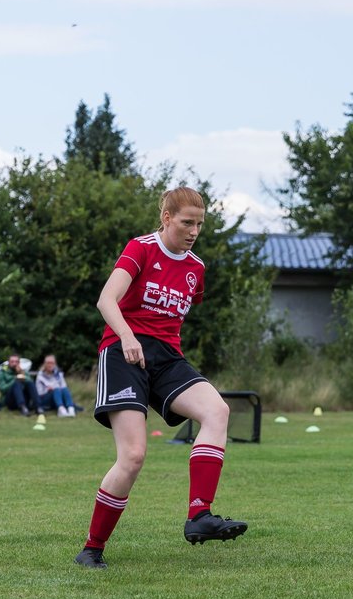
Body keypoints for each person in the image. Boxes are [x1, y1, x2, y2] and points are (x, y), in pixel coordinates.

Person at [74, 187, 248, 569]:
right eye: (187, 222)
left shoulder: (196, 268)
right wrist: (127, 335)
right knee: (133, 456)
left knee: (217, 411)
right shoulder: (141, 248)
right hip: (123, 352)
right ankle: (92, 548)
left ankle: (199, 515)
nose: (194, 231)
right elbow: (106, 299)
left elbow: (183, 307)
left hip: (167, 358)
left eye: (200, 224)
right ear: (167, 218)